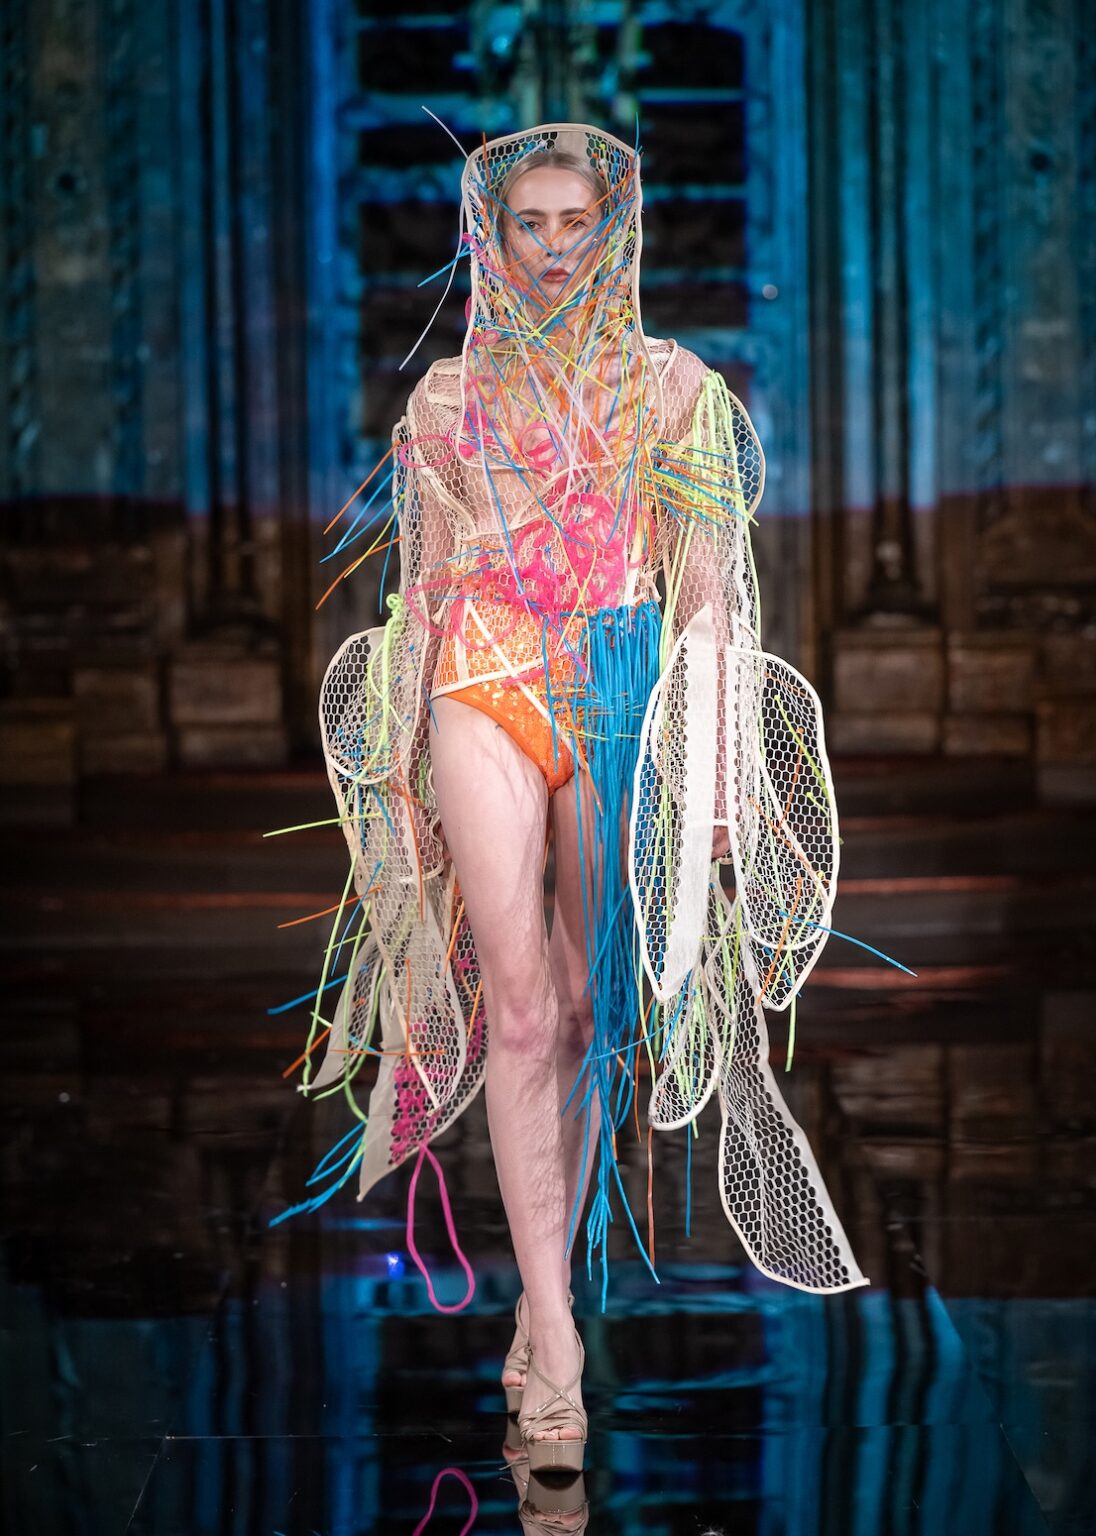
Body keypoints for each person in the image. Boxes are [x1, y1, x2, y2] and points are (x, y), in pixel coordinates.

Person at [286, 124, 868, 1475]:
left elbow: (714, 600)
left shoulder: (678, 391)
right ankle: (549, 1329)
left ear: (617, 228)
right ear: (492, 234)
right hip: (479, 683)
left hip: (617, 682)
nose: (553, 246)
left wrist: (716, 782)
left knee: (596, 1003)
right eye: (530, 223)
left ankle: (549, 1310)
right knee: (525, 1004)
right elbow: (419, 589)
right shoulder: (442, 401)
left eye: (574, 222)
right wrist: (397, 779)